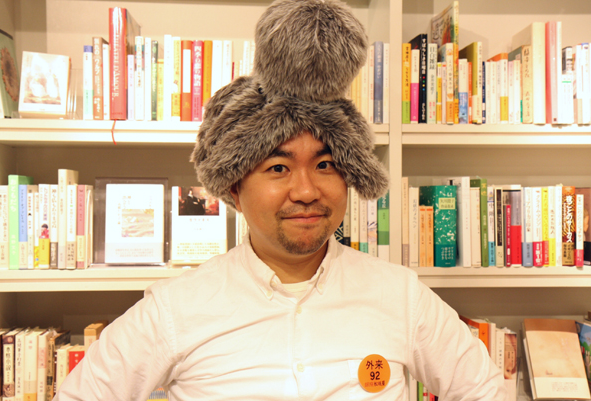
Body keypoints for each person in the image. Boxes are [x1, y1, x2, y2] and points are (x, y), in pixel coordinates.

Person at [55, 0, 507, 400]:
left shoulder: (401, 296)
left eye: (325, 164)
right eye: (278, 168)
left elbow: (483, 390)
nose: (306, 191)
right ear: (234, 187)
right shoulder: (174, 309)